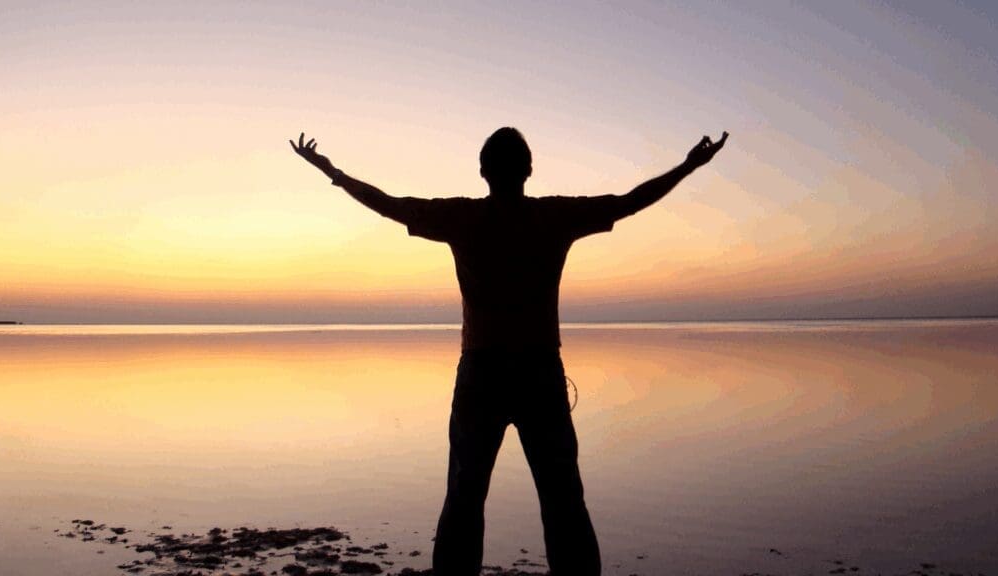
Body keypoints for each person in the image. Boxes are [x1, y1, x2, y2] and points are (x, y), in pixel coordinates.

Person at [291, 127, 728, 576]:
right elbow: (629, 201)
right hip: (537, 372)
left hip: (483, 373)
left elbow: (391, 205)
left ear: (482, 172)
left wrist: (334, 173)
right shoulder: (552, 217)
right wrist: (689, 166)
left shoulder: (464, 218)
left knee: (466, 493)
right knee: (561, 495)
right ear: (529, 171)